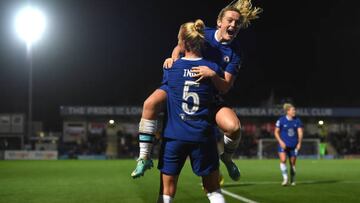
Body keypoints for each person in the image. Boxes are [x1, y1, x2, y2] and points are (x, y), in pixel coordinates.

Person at [131, 0, 262, 181]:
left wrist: (212, 75)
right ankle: (144, 157)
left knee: (234, 128)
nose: (233, 25)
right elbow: (180, 46)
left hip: (210, 96)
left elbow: (225, 87)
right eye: (230, 20)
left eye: (237, 23)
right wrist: (173, 58)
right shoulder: (204, 33)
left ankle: (227, 157)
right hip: (181, 86)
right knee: (150, 104)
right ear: (219, 22)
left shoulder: (235, 53)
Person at [157, 19, 225, 203]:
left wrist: (172, 59)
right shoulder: (212, 68)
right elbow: (222, 90)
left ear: (183, 42)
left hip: (175, 136)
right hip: (202, 135)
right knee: (213, 190)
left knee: (167, 192)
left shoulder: (170, 68)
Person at [274, 103, 304, 186]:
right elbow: (276, 132)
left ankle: (293, 179)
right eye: (293, 110)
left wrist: (299, 143)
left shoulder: (297, 120)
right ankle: (285, 179)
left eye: (294, 110)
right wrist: (280, 142)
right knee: (283, 160)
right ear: (287, 111)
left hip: (293, 145)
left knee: (292, 163)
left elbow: (300, 132)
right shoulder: (281, 120)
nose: (294, 111)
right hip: (283, 145)